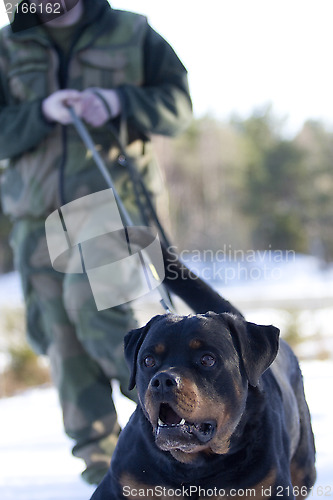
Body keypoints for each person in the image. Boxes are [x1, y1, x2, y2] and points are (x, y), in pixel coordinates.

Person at [0, 0, 192, 484]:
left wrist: (118, 102)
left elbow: (178, 107)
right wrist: (39, 112)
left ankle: (182, 434)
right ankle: (103, 465)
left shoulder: (131, 32)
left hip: (109, 203)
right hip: (33, 214)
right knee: (60, 337)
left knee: (103, 320)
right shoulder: (8, 43)